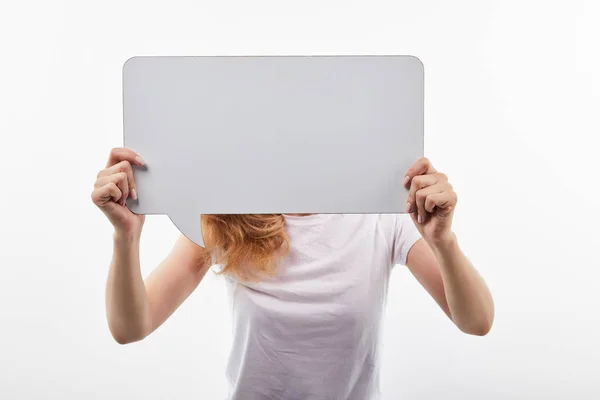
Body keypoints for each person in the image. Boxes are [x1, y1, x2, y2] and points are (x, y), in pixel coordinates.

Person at [92, 147, 494, 400]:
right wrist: (125, 237)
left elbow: (476, 320)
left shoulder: (381, 215)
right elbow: (132, 326)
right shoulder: (228, 216)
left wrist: (444, 241)